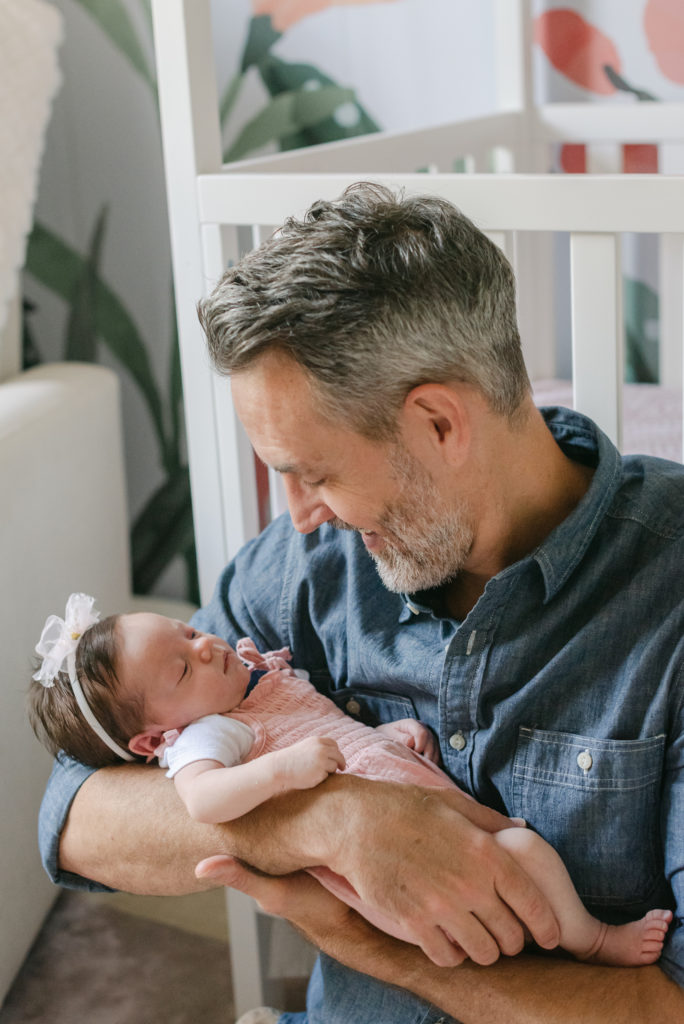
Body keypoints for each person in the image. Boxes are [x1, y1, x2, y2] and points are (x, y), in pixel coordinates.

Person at [38, 183, 684, 1024]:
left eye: (315, 473)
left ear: (439, 425)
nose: (296, 514)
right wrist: (335, 822)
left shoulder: (665, 592)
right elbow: (77, 811)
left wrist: (370, 942)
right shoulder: (313, 565)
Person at [29, 593, 672, 969]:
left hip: (417, 797)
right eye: (179, 670)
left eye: (190, 632)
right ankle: (595, 940)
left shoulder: (249, 683)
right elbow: (201, 799)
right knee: (524, 854)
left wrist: (388, 738)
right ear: (151, 741)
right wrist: (288, 777)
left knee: (517, 851)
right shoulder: (205, 734)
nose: (203, 647)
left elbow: (335, 727)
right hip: (400, 875)